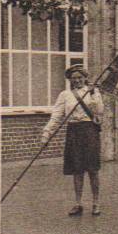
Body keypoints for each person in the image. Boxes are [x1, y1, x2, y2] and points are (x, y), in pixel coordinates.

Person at [42, 65, 105, 216]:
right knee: (77, 169)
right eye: (74, 78)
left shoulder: (93, 92)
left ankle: (96, 203)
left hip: (90, 130)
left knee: (92, 169)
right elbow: (57, 115)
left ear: (85, 78)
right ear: (70, 79)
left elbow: (100, 111)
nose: (77, 80)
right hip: (74, 131)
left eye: (80, 77)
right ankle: (78, 203)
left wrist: (94, 94)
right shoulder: (65, 95)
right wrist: (46, 133)